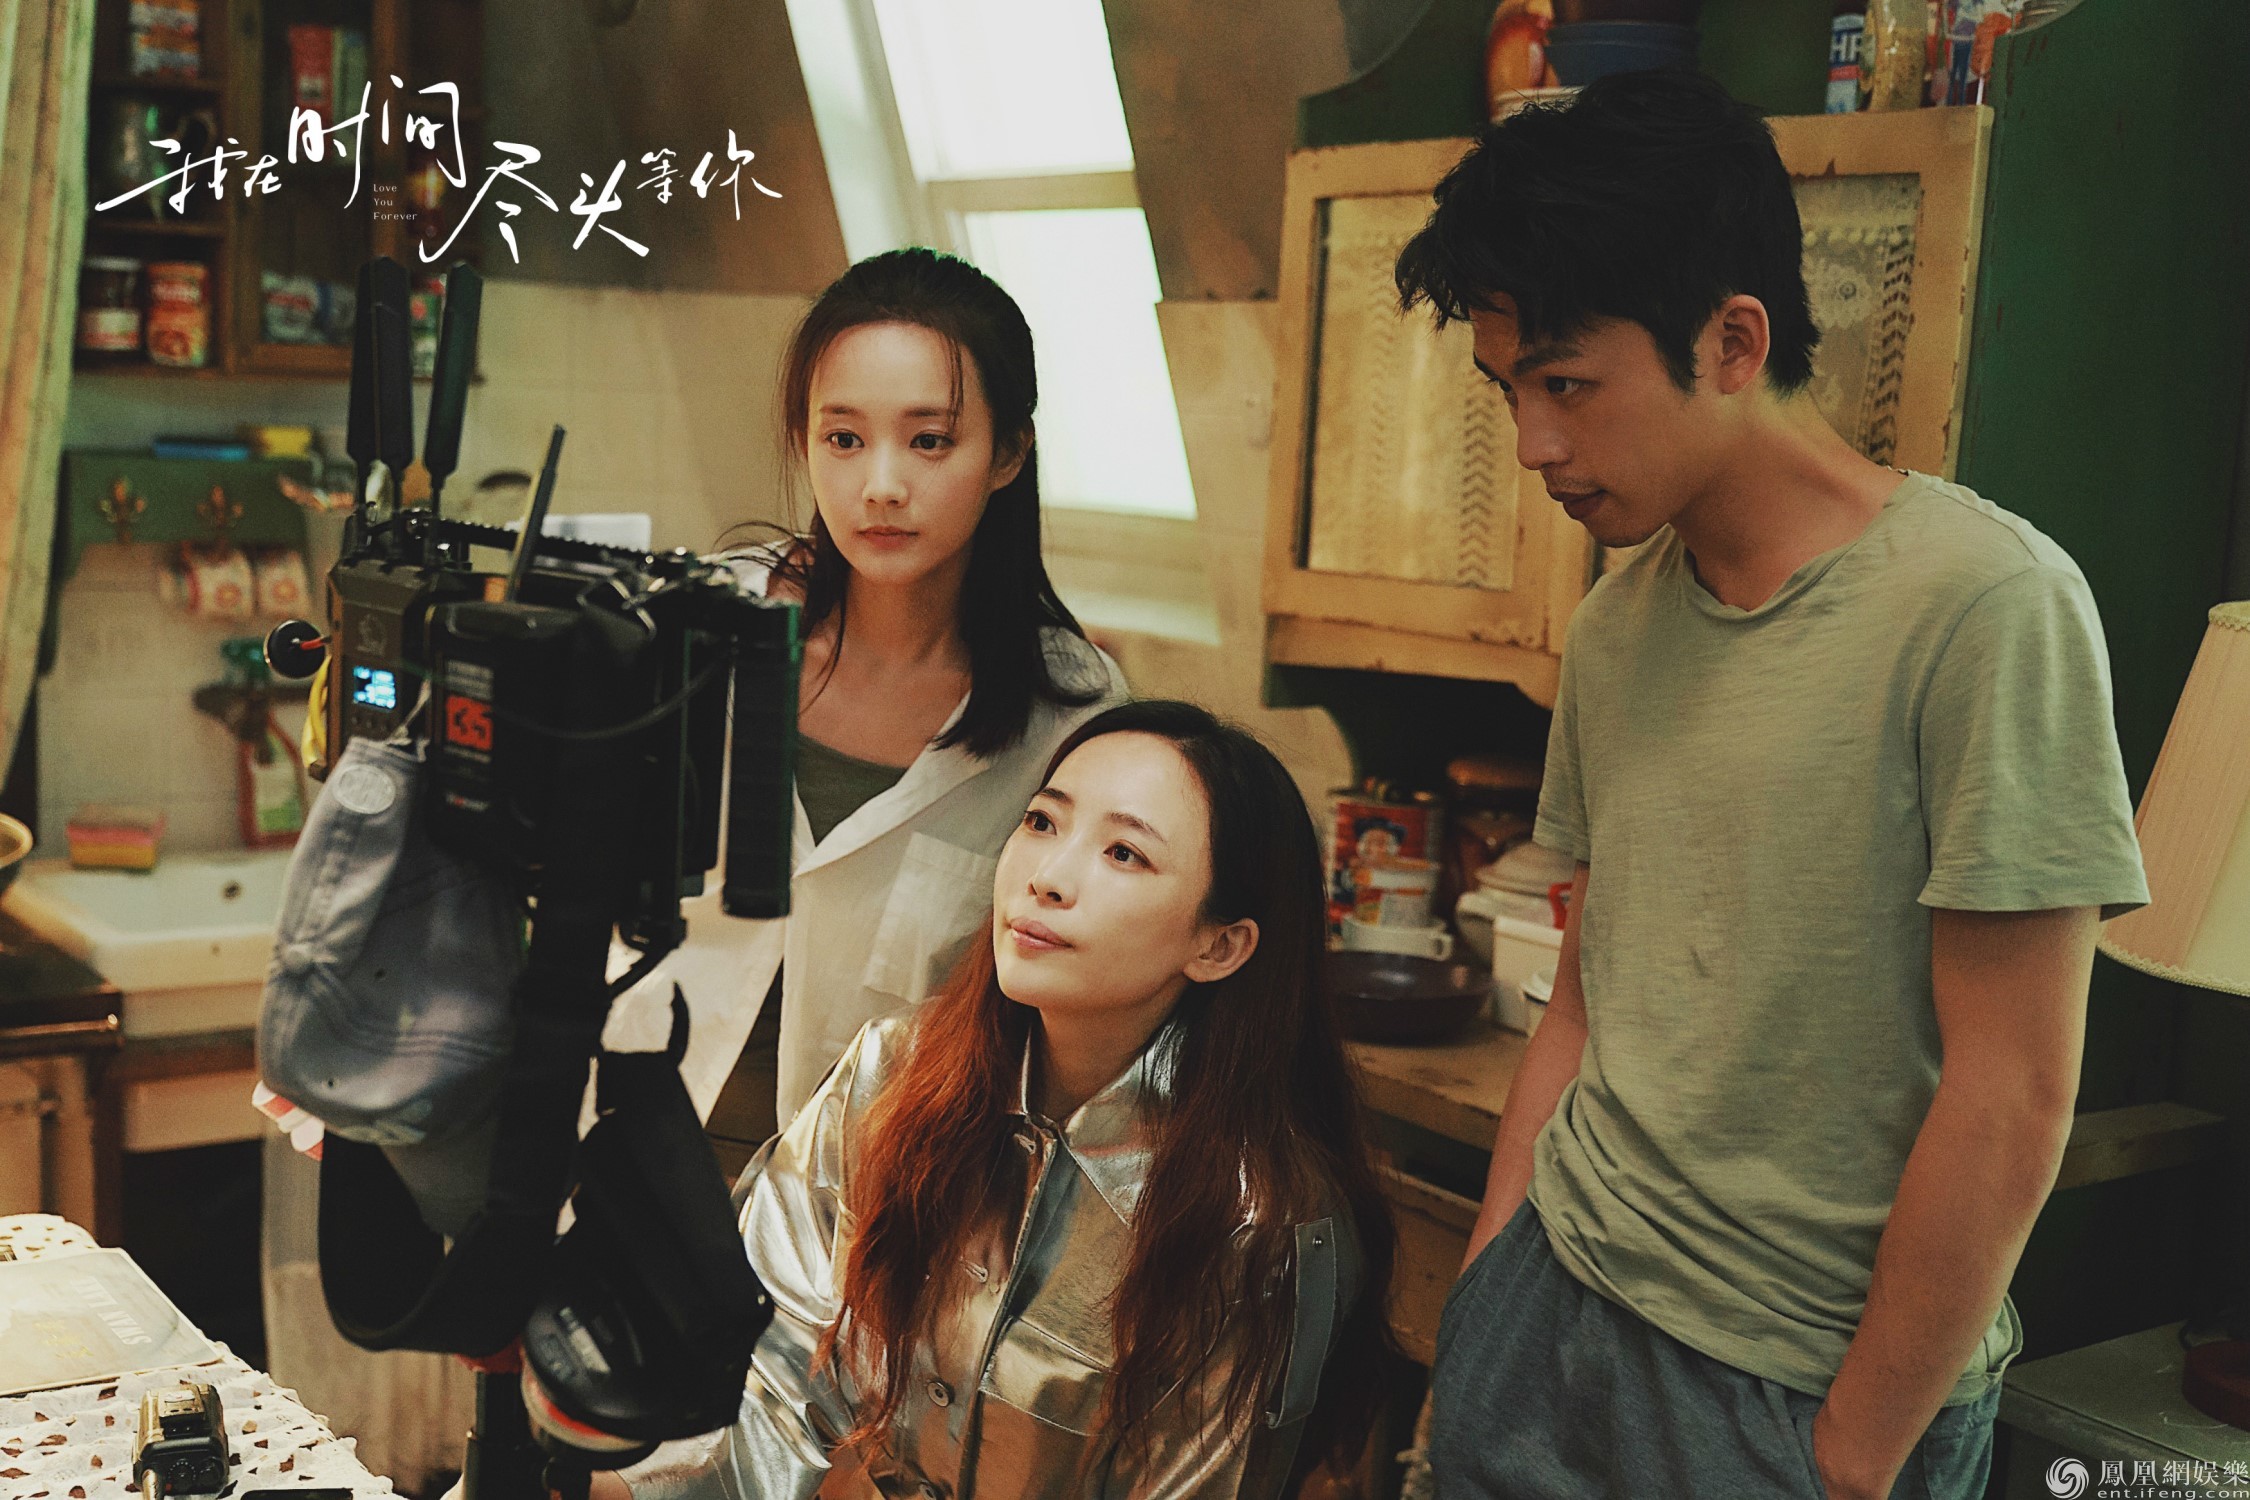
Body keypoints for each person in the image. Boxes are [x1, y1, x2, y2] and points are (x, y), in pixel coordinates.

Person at [1393, 72, 2147, 1500]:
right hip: (1553, 1300)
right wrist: (1487, 1294)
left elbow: (2013, 1092)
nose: (1535, 442)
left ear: (1733, 342)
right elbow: (1583, 1003)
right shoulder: (1616, 626)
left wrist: (1851, 1457)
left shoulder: (1985, 607)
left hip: (1793, 1387)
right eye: (1509, 392)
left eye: (1566, 383)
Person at [617, 700, 1397, 1499]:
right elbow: (764, 1376)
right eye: (1041, 821)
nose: (1047, 877)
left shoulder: (1257, 1225)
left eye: (1124, 853)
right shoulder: (891, 1074)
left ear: (1220, 944)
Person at [616, 248, 1128, 1147]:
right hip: (631, 1159)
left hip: (872, 1199)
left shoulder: (1074, 717)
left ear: (1009, 452)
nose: (881, 487)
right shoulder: (697, 628)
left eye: (929, 441)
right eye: (843, 439)